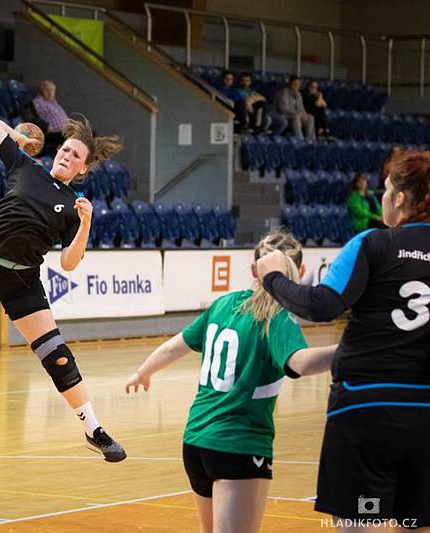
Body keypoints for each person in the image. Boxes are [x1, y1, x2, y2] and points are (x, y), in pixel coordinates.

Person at [257, 151, 430, 532]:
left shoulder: (372, 244)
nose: (382, 198)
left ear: (401, 198)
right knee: (415, 523)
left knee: (357, 524)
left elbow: (322, 306)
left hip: (366, 408)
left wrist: (273, 279)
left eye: (386, 190)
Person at [126, 228, 337, 533]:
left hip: (196, 442)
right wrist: (353, 350)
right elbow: (300, 364)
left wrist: (143, 372)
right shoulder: (277, 317)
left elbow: (176, 345)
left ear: (254, 269)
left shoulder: (223, 305)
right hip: (238, 444)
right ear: (301, 272)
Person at [0, 113, 127, 462]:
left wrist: (86, 223)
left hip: (22, 278)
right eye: (65, 149)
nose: (66, 156)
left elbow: (70, 263)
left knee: (57, 356)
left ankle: (94, 429)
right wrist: (19, 136)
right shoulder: (26, 166)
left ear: (83, 170)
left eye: (76, 156)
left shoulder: (75, 207)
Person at [32, 80, 68, 156]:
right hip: (53, 134)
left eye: (52, 90)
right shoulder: (38, 102)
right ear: (41, 91)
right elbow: (32, 117)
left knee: (90, 134)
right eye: (47, 90)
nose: (50, 93)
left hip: (64, 131)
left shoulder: (54, 103)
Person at [275, 75, 315, 140]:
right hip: (283, 115)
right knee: (296, 117)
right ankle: (300, 139)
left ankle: (310, 140)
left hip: (296, 116)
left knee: (310, 117)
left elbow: (301, 108)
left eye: (298, 84)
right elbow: (283, 109)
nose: (297, 86)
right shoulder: (284, 92)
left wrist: (305, 115)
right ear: (290, 84)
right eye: (295, 84)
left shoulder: (299, 94)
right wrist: (297, 113)